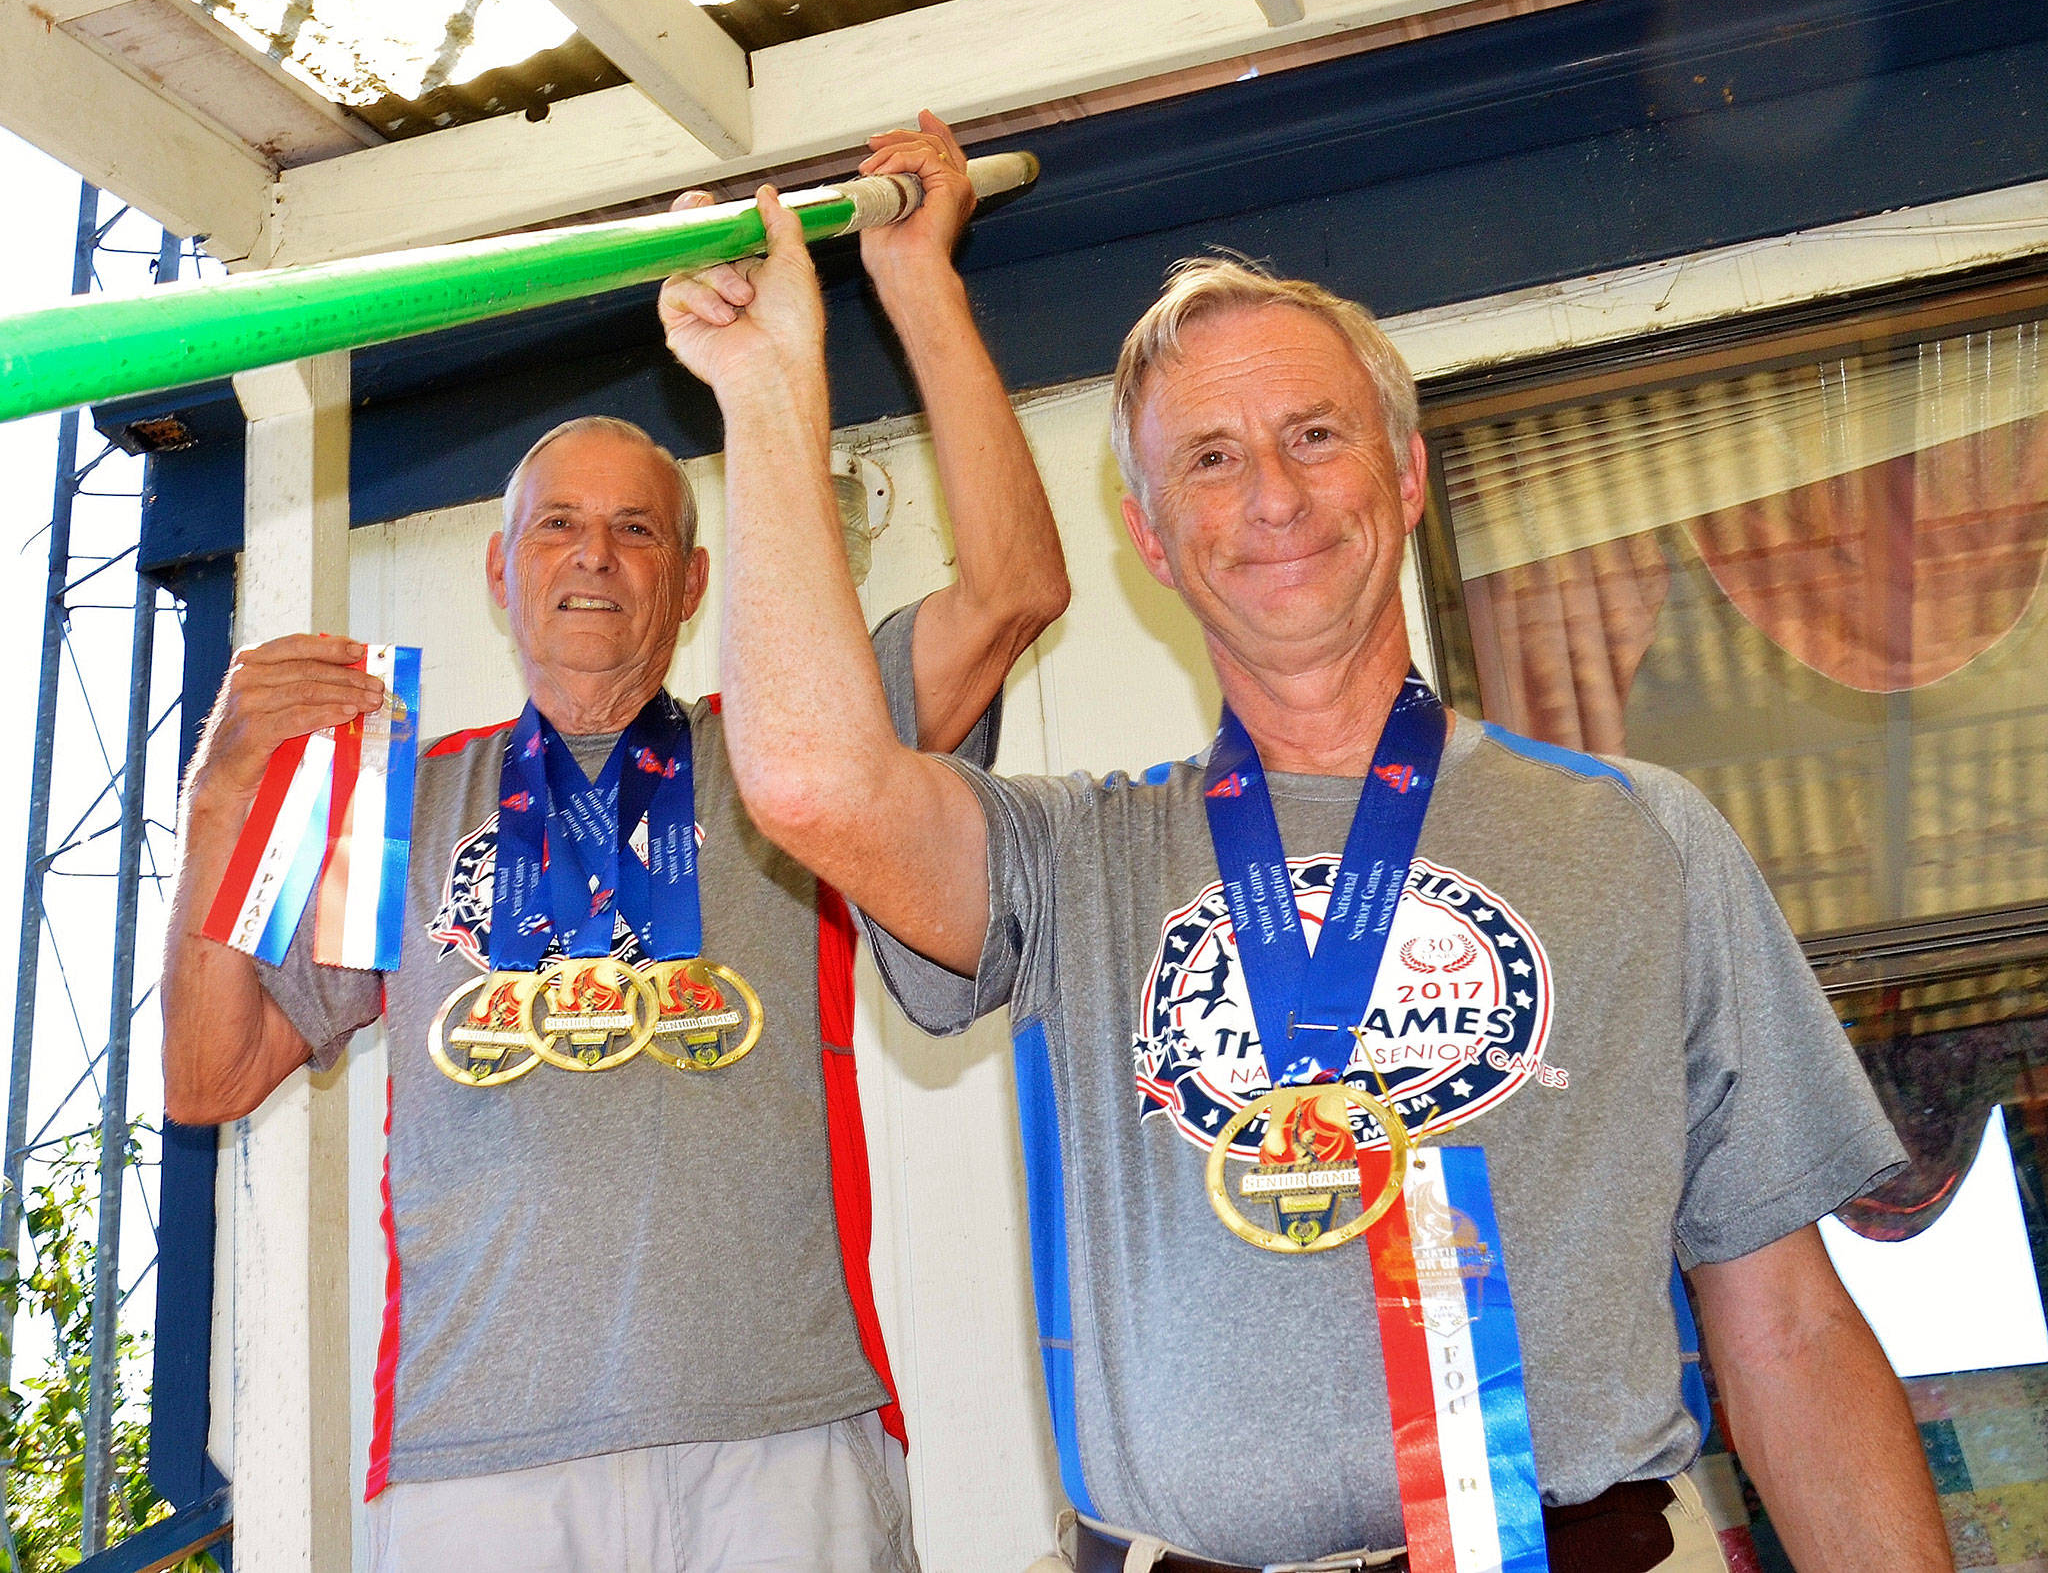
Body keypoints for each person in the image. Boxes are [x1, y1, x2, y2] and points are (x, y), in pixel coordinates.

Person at [670, 187, 1956, 1572]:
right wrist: (769, 391)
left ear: (1405, 479)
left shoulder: (1642, 836)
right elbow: (808, 782)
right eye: (1211, 460)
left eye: (1314, 436)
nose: (1272, 496)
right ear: (1152, 540)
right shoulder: (1077, 860)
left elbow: (1792, 1328)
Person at [162, 114, 1069, 1572]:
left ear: (698, 580)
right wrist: (222, 793)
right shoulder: (385, 794)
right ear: (500, 571)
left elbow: (1016, 586)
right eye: (559, 529)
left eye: (638, 533)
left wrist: (918, 285)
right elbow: (210, 1075)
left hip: (784, 1433)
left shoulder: (794, 749)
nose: (594, 557)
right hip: (476, 1466)